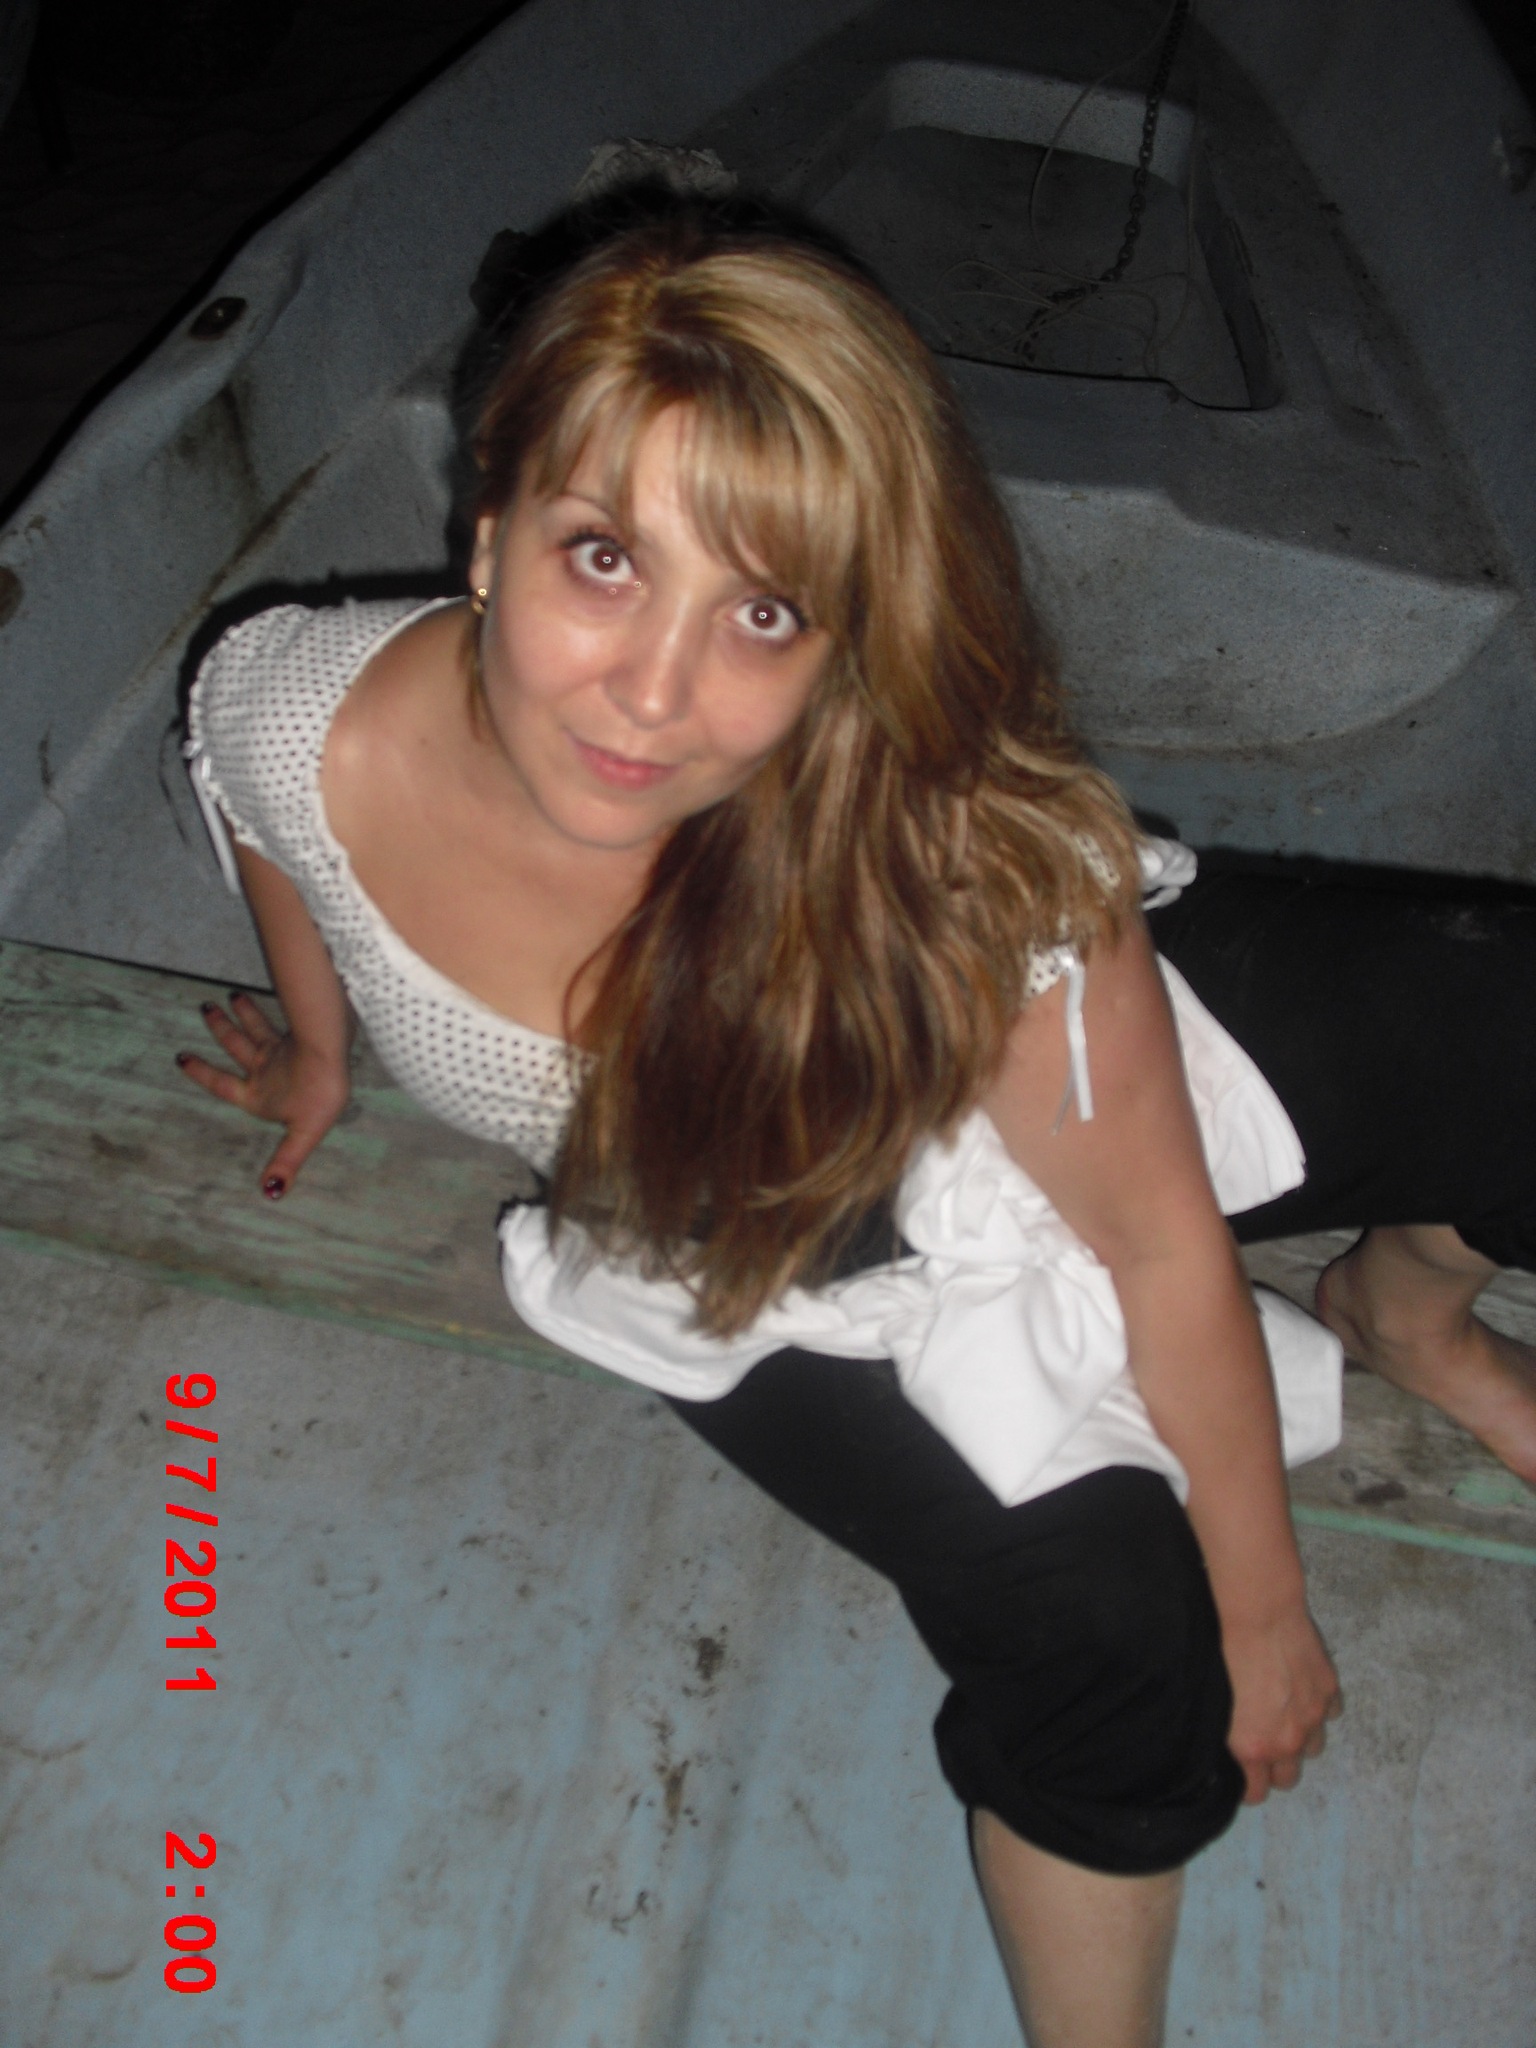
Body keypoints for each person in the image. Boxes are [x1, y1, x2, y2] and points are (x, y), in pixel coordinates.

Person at [174, 208, 1534, 2047]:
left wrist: (1267, 1597)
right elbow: (265, 814)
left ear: (844, 637)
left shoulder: (964, 865)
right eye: (604, 558)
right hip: (752, 1262)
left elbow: (1151, 1242)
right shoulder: (286, 702)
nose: (655, 694)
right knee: (1114, 1651)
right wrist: (320, 1050)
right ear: (488, 534)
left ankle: (1415, 1317)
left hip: (1017, 1069)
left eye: (763, 611)